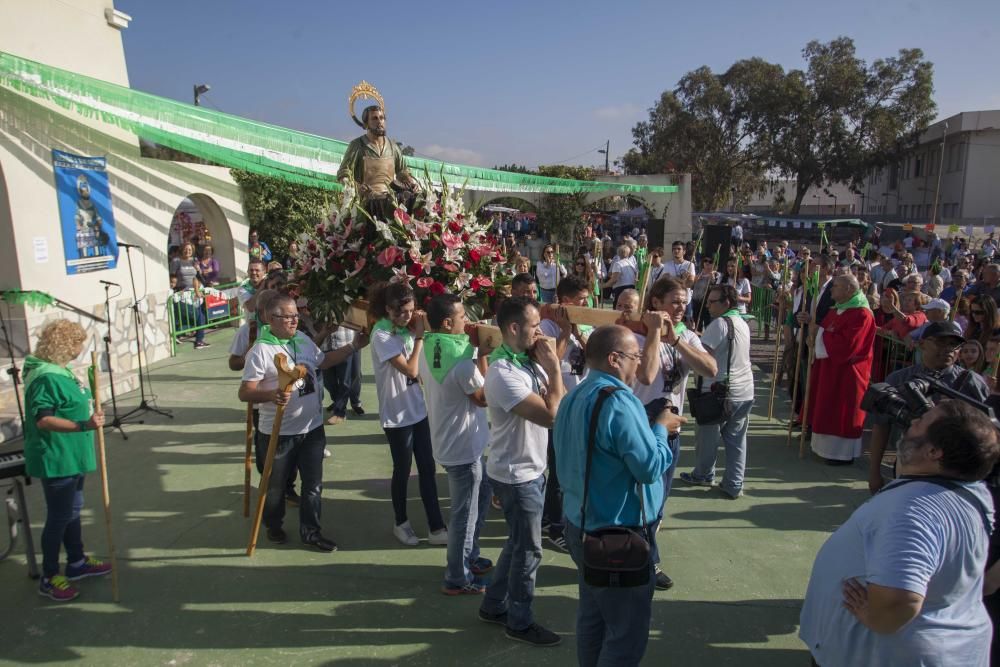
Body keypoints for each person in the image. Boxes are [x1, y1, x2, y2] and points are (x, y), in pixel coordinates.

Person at [800, 400, 999, 667]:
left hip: (886, 656)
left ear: (934, 451)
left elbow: (900, 601)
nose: (912, 423)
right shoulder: (969, 492)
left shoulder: (914, 510)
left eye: (922, 422)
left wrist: (875, 617)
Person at [554, 325, 682, 666]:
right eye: (634, 357)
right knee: (625, 635)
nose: (638, 365)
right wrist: (661, 428)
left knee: (593, 617)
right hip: (618, 536)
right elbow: (649, 467)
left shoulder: (573, 395)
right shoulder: (619, 400)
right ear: (614, 359)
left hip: (581, 525)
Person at [239, 294, 368, 551]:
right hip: (278, 434)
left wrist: (354, 346)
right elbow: (245, 392)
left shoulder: (303, 340)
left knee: (313, 485)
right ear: (271, 318)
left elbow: (324, 361)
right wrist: (271, 394)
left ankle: (311, 531)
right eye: (287, 316)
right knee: (275, 488)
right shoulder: (260, 351)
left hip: (312, 429)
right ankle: (273, 524)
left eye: (296, 315)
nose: (294, 320)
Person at [478, 296, 565, 647]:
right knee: (530, 550)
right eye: (534, 326)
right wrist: (556, 369)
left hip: (529, 467)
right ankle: (519, 620)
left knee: (516, 544)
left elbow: (556, 399)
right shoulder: (502, 372)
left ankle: (493, 604)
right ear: (514, 328)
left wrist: (553, 366)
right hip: (517, 473)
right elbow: (550, 414)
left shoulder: (525, 361)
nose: (541, 332)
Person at [634, 277, 716, 588]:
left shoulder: (686, 336)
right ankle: (647, 562)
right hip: (641, 427)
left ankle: (643, 554)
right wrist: (656, 333)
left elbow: (710, 369)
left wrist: (677, 341)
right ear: (656, 302)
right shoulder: (636, 336)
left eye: (684, 302)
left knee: (658, 502)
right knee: (641, 501)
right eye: (674, 301)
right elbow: (647, 373)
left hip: (670, 431)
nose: (681, 308)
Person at [24, 320, 110, 601]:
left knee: (73, 510)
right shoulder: (46, 376)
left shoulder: (60, 371)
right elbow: (44, 419)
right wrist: (84, 425)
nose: (80, 348)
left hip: (73, 455)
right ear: (63, 344)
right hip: (58, 456)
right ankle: (49, 576)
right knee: (60, 514)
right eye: (76, 343)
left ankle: (76, 562)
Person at [418, 294, 495, 595]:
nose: (468, 320)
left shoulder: (428, 347)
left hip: (448, 441)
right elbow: (484, 397)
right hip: (464, 448)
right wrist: (485, 356)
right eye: (463, 316)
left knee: (481, 494)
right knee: (464, 515)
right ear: (448, 323)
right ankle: (457, 576)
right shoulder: (463, 366)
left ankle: (470, 557)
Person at [867, 321, 991, 494]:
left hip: (957, 468)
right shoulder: (899, 380)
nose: (948, 349)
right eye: (941, 342)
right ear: (922, 344)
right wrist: (874, 473)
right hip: (910, 464)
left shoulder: (972, 382)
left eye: (954, 344)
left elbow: (988, 431)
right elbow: (881, 426)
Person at [367, 282, 447, 547]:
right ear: (388, 309)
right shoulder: (381, 335)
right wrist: (421, 337)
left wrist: (422, 331)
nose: (407, 317)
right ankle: (400, 522)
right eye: (401, 312)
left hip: (417, 409)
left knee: (427, 468)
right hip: (397, 414)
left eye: (411, 311)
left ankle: (436, 526)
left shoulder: (407, 329)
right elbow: (411, 370)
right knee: (402, 470)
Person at [679, 285, 754, 498]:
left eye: (713, 302)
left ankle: (703, 474)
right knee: (737, 440)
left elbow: (702, 357)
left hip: (718, 392)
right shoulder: (742, 322)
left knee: (706, 438)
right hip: (744, 390)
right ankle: (734, 483)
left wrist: (685, 340)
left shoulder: (719, 324)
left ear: (726, 303)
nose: (709, 305)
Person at [537, 275, 590, 553]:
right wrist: (565, 331)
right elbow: (550, 365)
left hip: (579, 407)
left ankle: (550, 516)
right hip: (557, 408)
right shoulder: (546, 326)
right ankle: (556, 527)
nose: (587, 303)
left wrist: (579, 332)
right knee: (558, 470)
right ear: (566, 302)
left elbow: (595, 355)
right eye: (582, 299)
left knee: (567, 469)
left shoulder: (587, 325)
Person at [804, 275, 876, 464]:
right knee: (827, 405)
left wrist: (821, 335)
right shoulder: (836, 310)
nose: (831, 290)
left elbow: (849, 345)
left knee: (842, 411)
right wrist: (813, 334)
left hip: (848, 371)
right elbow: (825, 330)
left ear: (849, 290)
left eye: (835, 286)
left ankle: (841, 455)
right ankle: (823, 448)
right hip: (829, 367)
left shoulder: (862, 314)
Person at [337, 104, 420, 219]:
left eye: (382, 118)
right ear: (366, 124)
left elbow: (402, 171)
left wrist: (410, 181)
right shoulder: (357, 145)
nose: (379, 121)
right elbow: (343, 173)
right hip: (367, 203)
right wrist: (357, 187)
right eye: (374, 118)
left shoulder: (393, 146)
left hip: (392, 201)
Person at [321, 324, 364, 426]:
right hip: (323, 345)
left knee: (347, 379)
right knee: (328, 381)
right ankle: (338, 402)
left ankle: (341, 411)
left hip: (346, 342)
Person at [170, 241, 209, 349]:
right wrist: (175, 289)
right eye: (186, 249)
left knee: (199, 316)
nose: (188, 251)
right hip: (182, 294)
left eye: (190, 250)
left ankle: (197, 339)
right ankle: (198, 340)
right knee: (194, 316)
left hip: (194, 293)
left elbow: (196, 277)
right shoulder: (176, 261)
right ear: (182, 249)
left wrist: (198, 270)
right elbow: (172, 277)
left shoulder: (194, 260)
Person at [603, 244, 638, 308]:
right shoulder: (632, 264)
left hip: (621, 290)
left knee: (618, 310)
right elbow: (636, 277)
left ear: (618, 253)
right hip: (631, 289)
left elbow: (614, 280)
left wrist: (603, 285)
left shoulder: (618, 264)